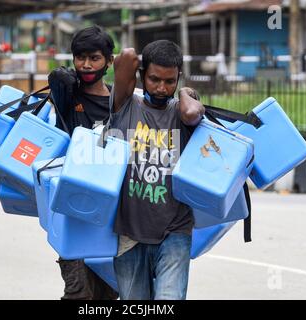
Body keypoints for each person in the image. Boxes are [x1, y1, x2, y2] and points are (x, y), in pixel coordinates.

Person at [110, 40, 205, 300]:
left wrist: (184, 91)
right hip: (130, 233)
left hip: (175, 230)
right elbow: (127, 56)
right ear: (142, 76)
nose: (162, 88)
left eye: (169, 81)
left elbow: (193, 113)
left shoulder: (182, 111)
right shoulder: (125, 106)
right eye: (154, 79)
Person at [47, 25, 118, 300]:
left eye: (94, 58)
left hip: (110, 214)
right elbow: (57, 80)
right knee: (78, 293)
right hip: (71, 209)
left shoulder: (119, 101)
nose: (86, 64)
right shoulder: (68, 94)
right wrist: (59, 78)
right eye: (80, 57)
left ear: (109, 62)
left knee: (107, 295)